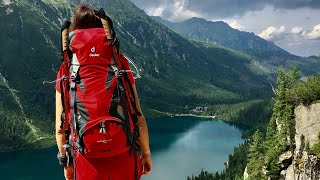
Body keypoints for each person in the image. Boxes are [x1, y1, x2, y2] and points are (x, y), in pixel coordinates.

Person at [55, 5, 152, 180]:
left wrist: (66, 164)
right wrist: (145, 154)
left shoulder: (67, 68)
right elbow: (138, 116)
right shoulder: (118, 61)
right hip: (124, 156)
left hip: (85, 160)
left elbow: (61, 129)